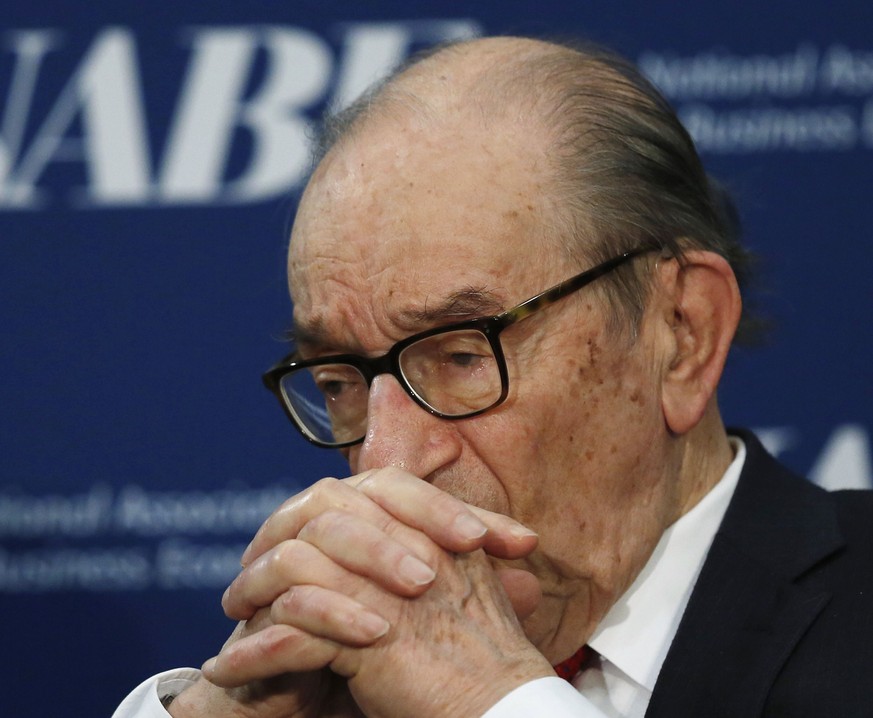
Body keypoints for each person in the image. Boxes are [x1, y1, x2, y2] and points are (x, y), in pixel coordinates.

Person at [114, 36, 873, 718]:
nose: (387, 461)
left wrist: (490, 704)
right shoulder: (337, 674)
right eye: (340, 379)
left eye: (459, 356)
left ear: (681, 333)